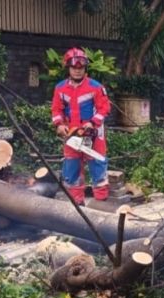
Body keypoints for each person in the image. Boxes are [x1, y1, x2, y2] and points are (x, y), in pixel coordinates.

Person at [51, 47, 111, 204]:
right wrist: (59, 125)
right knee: (71, 166)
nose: (77, 71)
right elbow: (56, 109)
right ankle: (76, 204)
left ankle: (101, 203)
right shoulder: (60, 88)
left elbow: (104, 108)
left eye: (80, 68)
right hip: (72, 133)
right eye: (74, 68)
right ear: (68, 68)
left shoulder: (96, 87)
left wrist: (93, 123)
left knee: (98, 165)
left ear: (85, 68)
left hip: (93, 133)